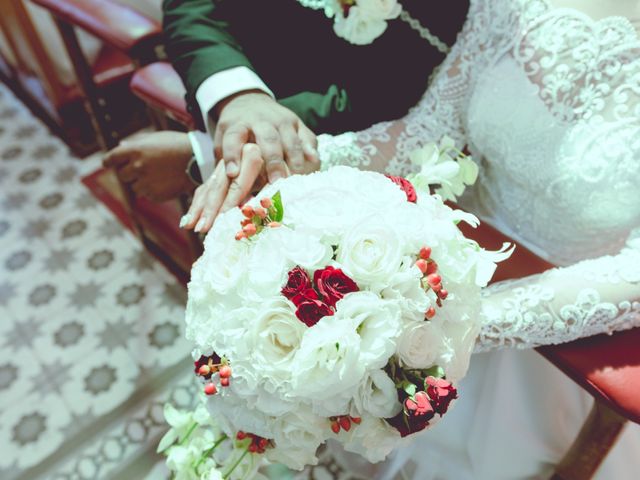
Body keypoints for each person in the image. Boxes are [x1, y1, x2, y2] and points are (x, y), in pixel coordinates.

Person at [184, 0, 640, 478]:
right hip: (440, 259)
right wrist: (281, 171)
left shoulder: (443, 319)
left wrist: (449, 325)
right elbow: (428, 129)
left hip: (561, 332)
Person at [104, 0, 469, 213]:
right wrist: (237, 94)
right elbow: (196, 7)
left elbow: (391, 87)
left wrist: (206, 156)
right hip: (237, 80)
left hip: (341, 165)